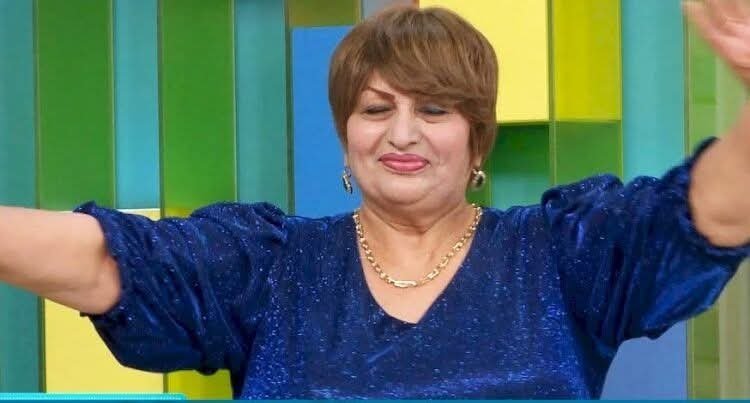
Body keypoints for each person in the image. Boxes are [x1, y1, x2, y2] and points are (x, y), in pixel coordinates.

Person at [1, 0, 749, 399]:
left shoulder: (562, 252)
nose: (402, 133)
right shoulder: (269, 266)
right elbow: (109, 260)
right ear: (345, 134)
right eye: (375, 108)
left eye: (434, 110)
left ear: (478, 139)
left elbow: (706, 214)